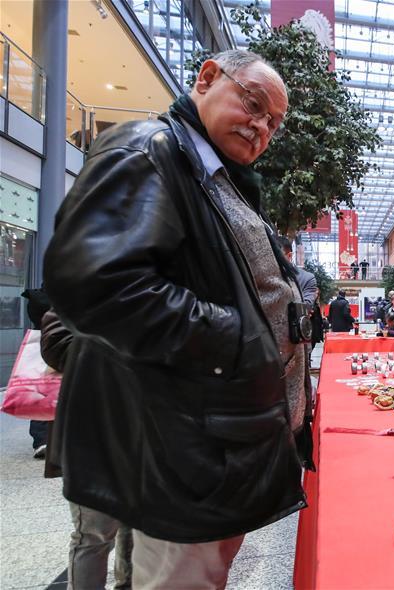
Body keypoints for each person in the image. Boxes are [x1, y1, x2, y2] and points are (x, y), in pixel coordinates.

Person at [43, 50, 307, 588]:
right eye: (253, 105)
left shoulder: (210, 172)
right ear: (207, 77)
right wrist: (235, 338)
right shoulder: (149, 151)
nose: (261, 127)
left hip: (209, 442)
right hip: (182, 448)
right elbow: (96, 282)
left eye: (272, 123)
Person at [40, 309, 135, 590]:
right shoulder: (67, 306)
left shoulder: (144, 300)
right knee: (93, 534)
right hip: (89, 443)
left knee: (136, 530)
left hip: (141, 440)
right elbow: (60, 350)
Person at [19, 287, 51, 459]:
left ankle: (42, 440)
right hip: (62, 343)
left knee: (42, 391)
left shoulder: (40, 296)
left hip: (44, 344)